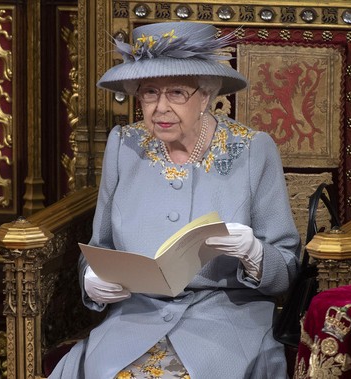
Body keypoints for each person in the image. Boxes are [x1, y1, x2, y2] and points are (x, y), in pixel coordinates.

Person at [49, 21, 300, 379]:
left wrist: (254, 253)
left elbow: (287, 267)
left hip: (226, 323)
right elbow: (99, 246)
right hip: (134, 319)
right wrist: (92, 279)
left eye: (177, 93)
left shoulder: (252, 149)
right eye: (149, 92)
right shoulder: (124, 145)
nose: (160, 108)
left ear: (206, 95)